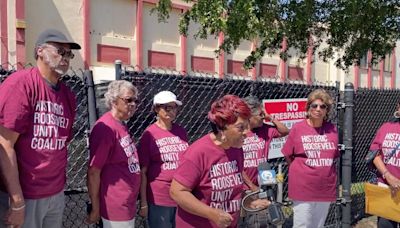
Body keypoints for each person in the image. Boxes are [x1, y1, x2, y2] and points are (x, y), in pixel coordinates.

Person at [0, 29, 79, 228]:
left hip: (55, 193)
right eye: (60, 51)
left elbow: (61, 144)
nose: (65, 57)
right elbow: (4, 144)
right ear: (40, 51)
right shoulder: (21, 84)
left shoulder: (68, 96)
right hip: (26, 196)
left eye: (69, 53)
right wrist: (17, 202)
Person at [170, 94, 270, 228]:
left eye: (247, 125)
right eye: (241, 127)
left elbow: (231, 191)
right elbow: (177, 192)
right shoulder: (198, 152)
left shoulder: (236, 148)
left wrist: (249, 202)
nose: (247, 131)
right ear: (222, 128)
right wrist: (212, 214)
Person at [85, 80, 141, 228]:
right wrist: (96, 208)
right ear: (114, 101)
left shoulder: (121, 124)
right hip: (114, 205)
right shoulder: (106, 129)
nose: (133, 104)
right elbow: (93, 171)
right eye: (129, 100)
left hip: (126, 202)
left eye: (135, 100)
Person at [281, 89, 339, 228]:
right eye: (314, 106)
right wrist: (300, 171)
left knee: (318, 225)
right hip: (303, 187)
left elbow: (333, 155)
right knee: (302, 224)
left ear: (327, 111)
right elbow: (288, 154)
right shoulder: (298, 128)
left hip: (325, 187)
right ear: (308, 108)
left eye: (322, 106)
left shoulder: (332, 129)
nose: (318, 109)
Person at [137, 91, 189, 228]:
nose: (171, 111)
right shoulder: (149, 134)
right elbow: (143, 172)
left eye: (174, 107)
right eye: (167, 107)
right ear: (156, 109)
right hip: (160, 197)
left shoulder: (180, 131)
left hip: (181, 195)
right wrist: (143, 203)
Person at [240, 96, 289, 227]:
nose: (263, 117)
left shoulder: (265, 130)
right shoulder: (239, 133)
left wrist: (270, 118)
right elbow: (237, 165)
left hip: (264, 184)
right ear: (249, 116)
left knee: (264, 221)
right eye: (260, 114)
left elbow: (285, 131)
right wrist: (251, 186)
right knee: (250, 221)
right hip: (246, 187)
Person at [370, 102, 400, 228]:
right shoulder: (386, 127)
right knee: (385, 225)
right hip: (387, 188)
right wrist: (388, 176)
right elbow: (374, 154)